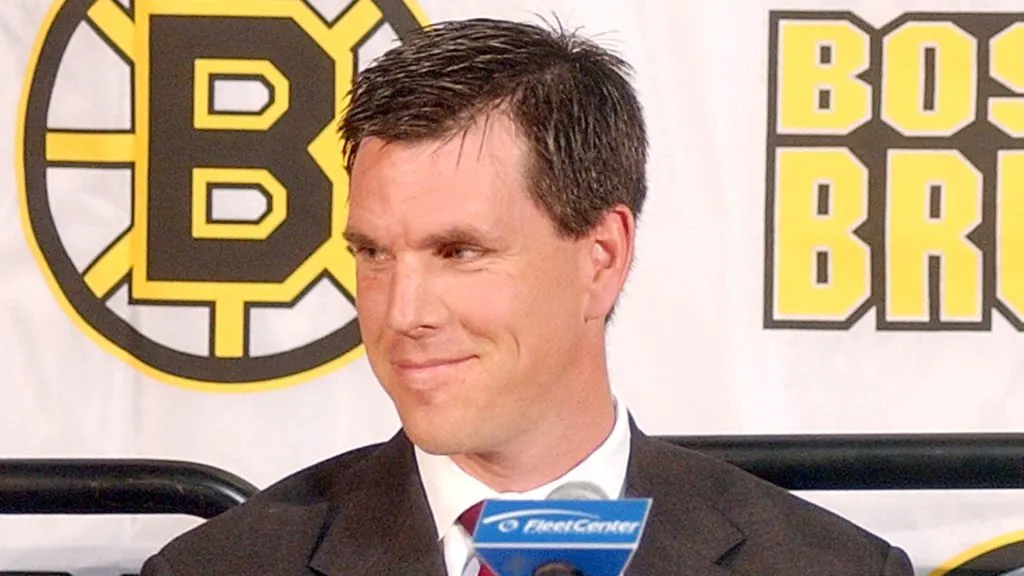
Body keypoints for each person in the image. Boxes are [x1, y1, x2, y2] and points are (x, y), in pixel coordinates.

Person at [140, 17, 914, 576]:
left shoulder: (824, 566)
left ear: (601, 257)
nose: (402, 312)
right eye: (374, 253)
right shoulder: (225, 565)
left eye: (459, 252)